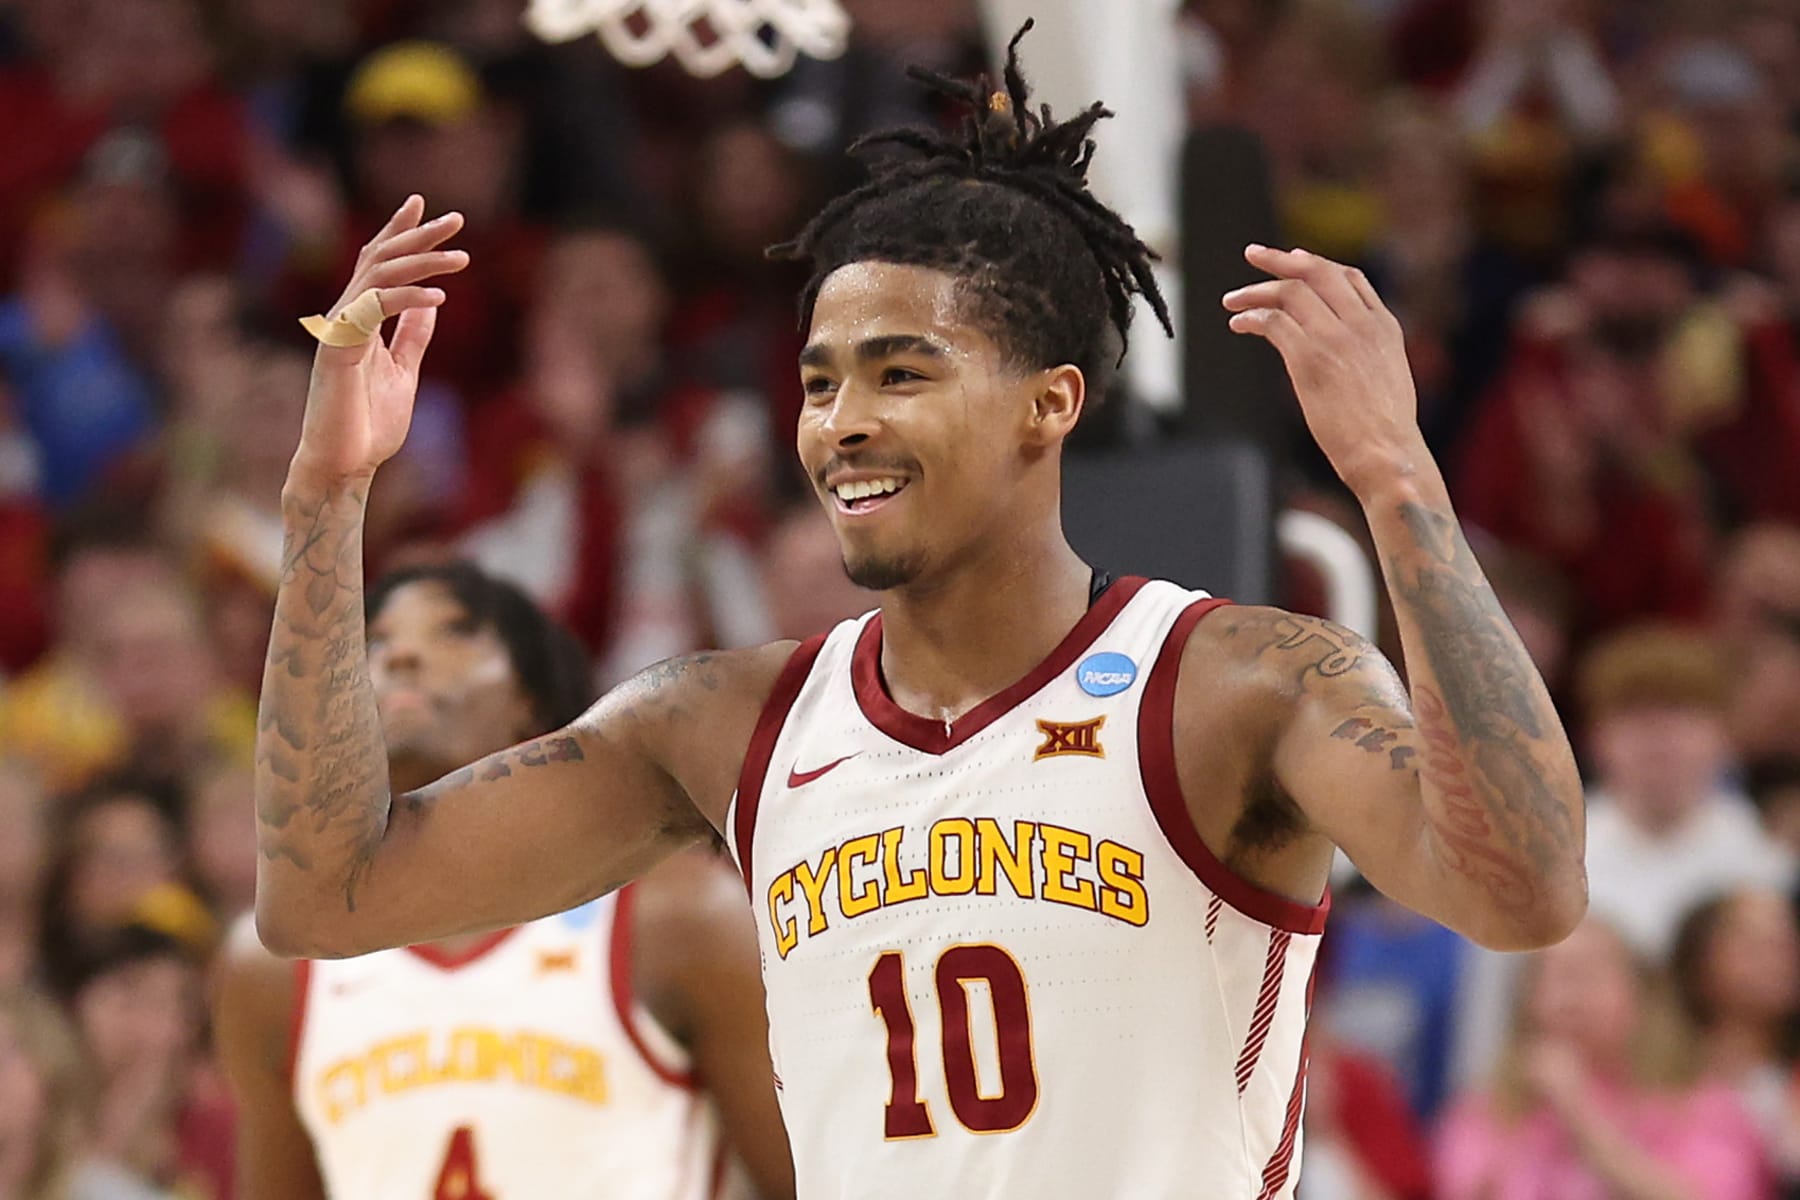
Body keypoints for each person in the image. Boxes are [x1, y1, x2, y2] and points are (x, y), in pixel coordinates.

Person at [253, 28, 1587, 1198]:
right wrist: (326, 497)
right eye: (822, 382)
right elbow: (328, 895)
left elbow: (1522, 893)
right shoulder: (723, 722)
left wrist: (1398, 482)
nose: (843, 425)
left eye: (901, 372)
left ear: (1048, 405)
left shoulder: (1239, 683)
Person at [216, 562, 793, 1199]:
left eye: (456, 632)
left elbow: (804, 1181)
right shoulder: (272, 966)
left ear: (532, 698)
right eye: (375, 642)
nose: (403, 654)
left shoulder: (679, 914)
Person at [1435, 916, 1770, 1200]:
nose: (1570, 996)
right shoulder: (1488, 1110)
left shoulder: (1702, 1105)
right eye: (1551, 976)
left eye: (1588, 973)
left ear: (1642, 992)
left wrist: (1580, 1114)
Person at [1671, 888, 1800, 1185]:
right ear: (1699, 962)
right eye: (1754, 944)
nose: (1782, 957)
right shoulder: (1660, 1081)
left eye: (1787, 942)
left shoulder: (1790, 1078)